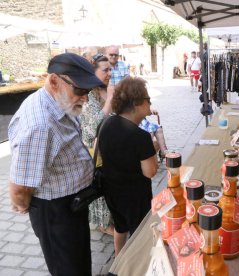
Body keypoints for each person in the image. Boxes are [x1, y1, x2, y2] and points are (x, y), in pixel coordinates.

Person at [8, 53, 104, 275]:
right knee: (69, 269)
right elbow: (20, 189)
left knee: (79, 261)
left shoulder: (56, 100)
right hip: (55, 212)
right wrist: (25, 206)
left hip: (69, 205)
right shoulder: (40, 125)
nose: (86, 98)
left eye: (88, 92)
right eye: (80, 91)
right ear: (53, 81)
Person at [98, 77, 158, 256]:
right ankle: (137, 265)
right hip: (135, 197)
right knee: (140, 232)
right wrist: (153, 149)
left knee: (120, 226)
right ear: (136, 103)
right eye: (147, 99)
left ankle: (118, 260)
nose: (150, 102)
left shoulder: (106, 123)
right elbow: (150, 172)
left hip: (111, 191)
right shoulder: (141, 137)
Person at [79, 53, 115, 236]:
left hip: (110, 147)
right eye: (105, 70)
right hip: (95, 151)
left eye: (110, 69)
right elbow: (94, 126)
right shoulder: (87, 95)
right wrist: (109, 99)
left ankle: (112, 217)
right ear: (93, 72)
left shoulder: (107, 89)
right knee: (100, 185)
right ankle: (102, 223)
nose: (110, 72)